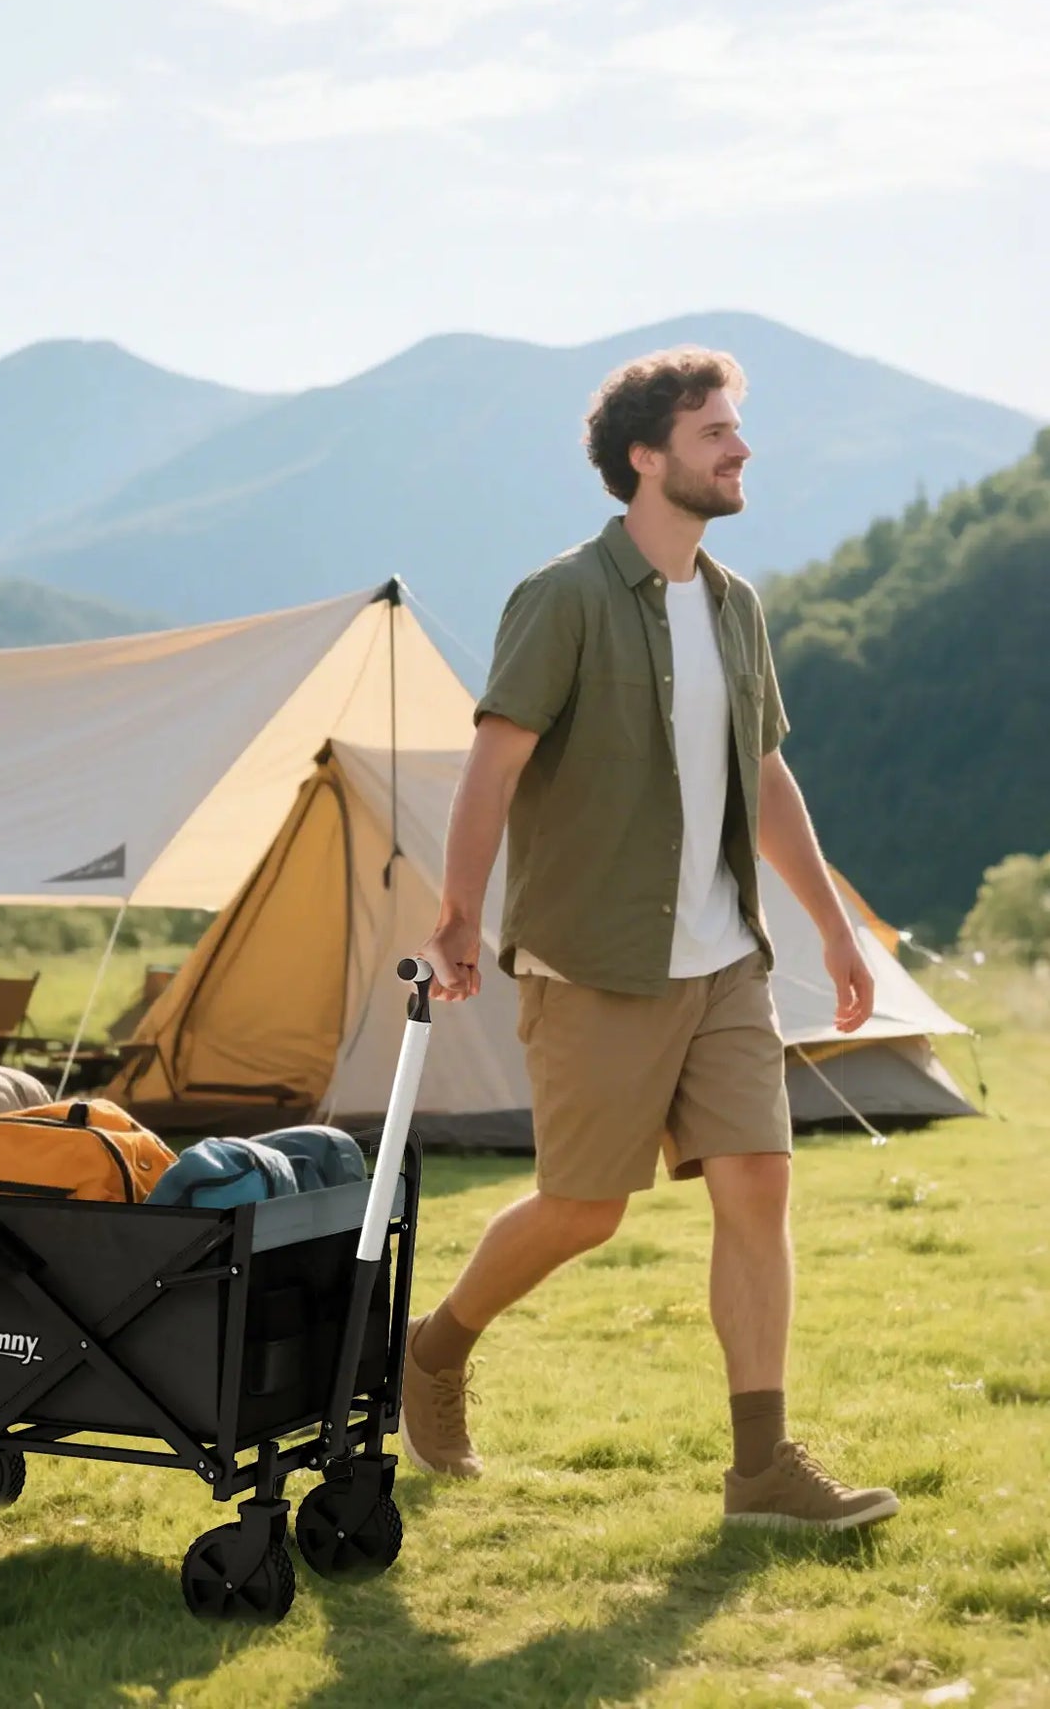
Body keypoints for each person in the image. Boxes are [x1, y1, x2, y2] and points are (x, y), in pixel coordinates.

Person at [410, 347, 899, 1533]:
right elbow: (495, 758)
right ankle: (432, 1347)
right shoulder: (565, 595)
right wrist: (462, 907)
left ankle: (759, 1472)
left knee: (757, 1184)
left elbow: (764, 772)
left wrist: (834, 931)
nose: (738, 449)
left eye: (735, 431)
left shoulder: (735, 606)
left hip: (722, 960)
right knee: (584, 1209)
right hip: (595, 961)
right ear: (645, 455)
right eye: (713, 432)